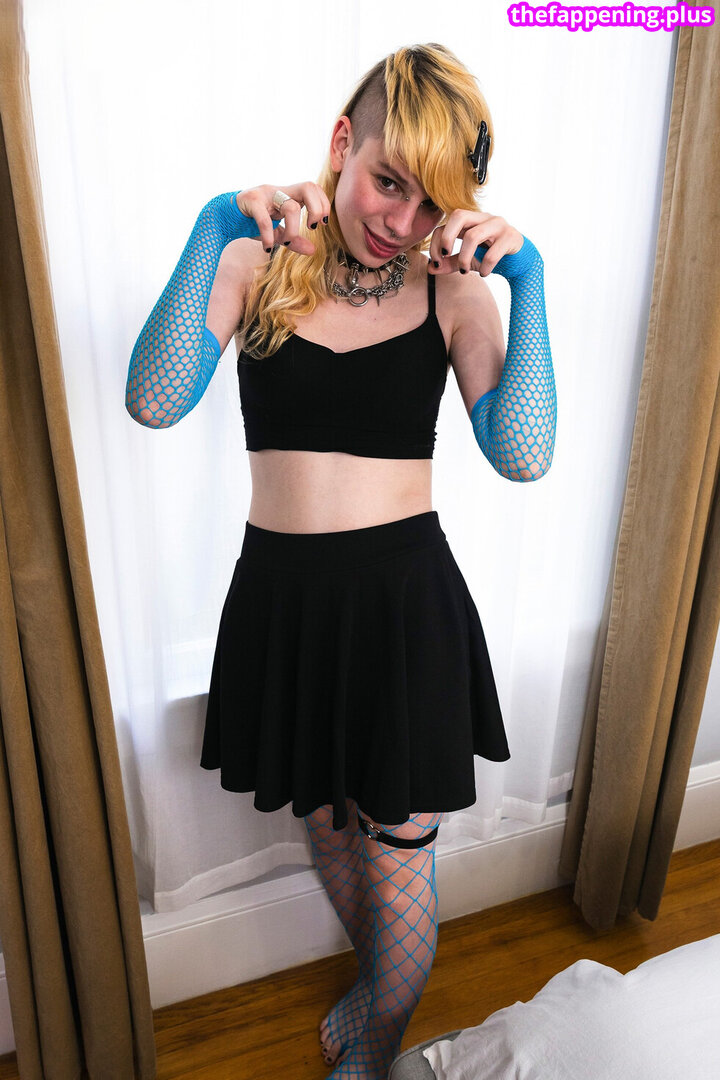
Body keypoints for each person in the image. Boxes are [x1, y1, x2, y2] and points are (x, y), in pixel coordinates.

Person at [125, 42, 555, 1080]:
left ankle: (379, 1048)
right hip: (283, 603)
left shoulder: (453, 291)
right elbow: (154, 398)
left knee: (399, 861)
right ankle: (373, 982)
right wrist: (213, 225)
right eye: (387, 181)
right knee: (326, 824)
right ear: (340, 144)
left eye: (432, 200)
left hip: (404, 609)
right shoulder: (255, 262)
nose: (402, 220)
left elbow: (524, 453)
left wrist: (529, 279)